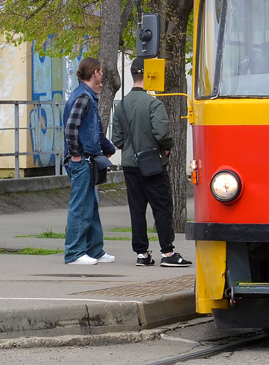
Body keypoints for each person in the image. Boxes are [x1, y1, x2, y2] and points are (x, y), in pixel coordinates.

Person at [110, 58, 189, 268]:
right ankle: (168, 252)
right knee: (162, 208)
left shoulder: (122, 106)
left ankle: (142, 253)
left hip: (129, 165)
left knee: (137, 209)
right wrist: (167, 145)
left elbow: (117, 139)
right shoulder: (154, 103)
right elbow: (162, 132)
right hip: (153, 163)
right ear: (148, 75)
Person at [62, 57, 116, 266]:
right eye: (101, 72)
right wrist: (76, 153)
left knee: (91, 204)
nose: (102, 76)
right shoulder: (84, 98)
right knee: (81, 206)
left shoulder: (86, 97)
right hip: (81, 160)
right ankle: (74, 253)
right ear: (95, 73)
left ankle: (95, 250)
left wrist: (107, 148)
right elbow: (71, 127)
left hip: (87, 158)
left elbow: (94, 130)